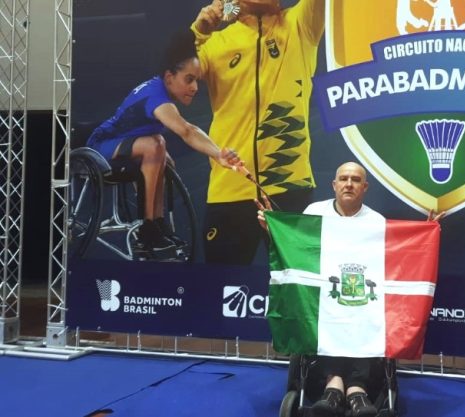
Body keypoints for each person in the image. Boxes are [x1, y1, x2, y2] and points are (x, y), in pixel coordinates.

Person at [257, 162, 444, 417]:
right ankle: (335, 384)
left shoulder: (376, 222)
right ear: (334, 185)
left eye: (355, 180)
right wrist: (274, 229)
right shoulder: (314, 212)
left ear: (364, 187)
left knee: (363, 318)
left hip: (360, 299)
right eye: (343, 179)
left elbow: (394, 260)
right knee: (328, 317)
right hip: (322, 298)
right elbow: (295, 250)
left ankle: (355, 387)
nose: (348, 184)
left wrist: (424, 234)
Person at [191, 0, 325, 265]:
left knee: (298, 284)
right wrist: (199, 31)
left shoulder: (300, 24)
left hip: (289, 187)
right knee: (222, 285)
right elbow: (174, 79)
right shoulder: (215, 43)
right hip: (229, 189)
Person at [86, 30, 242, 255]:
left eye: (196, 80)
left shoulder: (161, 91)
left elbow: (183, 131)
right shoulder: (156, 96)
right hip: (100, 147)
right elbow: (187, 131)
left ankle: (157, 225)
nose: (195, 87)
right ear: (170, 77)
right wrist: (218, 154)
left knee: (161, 154)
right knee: (156, 144)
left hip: (126, 144)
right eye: (189, 79)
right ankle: (148, 230)